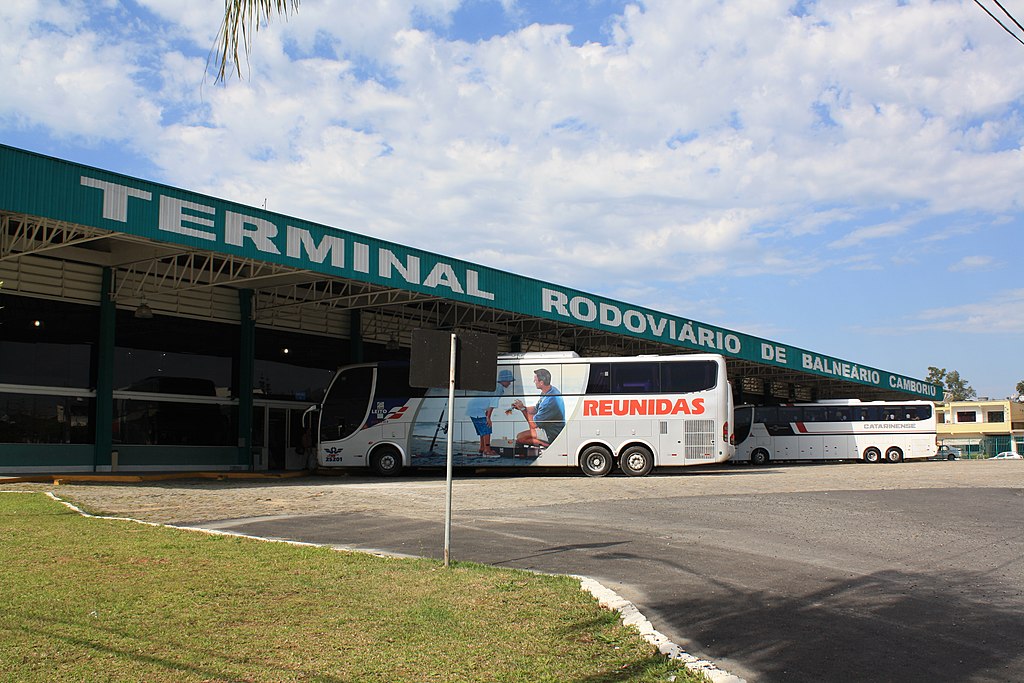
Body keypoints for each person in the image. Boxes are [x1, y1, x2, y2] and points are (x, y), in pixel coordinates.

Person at [511, 368, 565, 449]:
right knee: (520, 435)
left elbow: (533, 425)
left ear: (541, 382)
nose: (534, 382)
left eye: (535, 380)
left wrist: (522, 410)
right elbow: (536, 409)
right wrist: (522, 407)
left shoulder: (549, 401)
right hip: (548, 428)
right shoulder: (549, 391)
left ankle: (546, 445)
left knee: (520, 438)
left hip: (551, 433)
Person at [466, 369, 514, 456]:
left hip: (472, 408)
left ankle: (482, 447)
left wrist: (487, 415)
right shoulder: (499, 388)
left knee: (482, 430)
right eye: (509, 381)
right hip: (477, 409)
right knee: (487, 429)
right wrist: (488, 418)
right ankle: (487, 450)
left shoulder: (496, 386)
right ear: (504, 380)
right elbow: (492, 403)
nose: (510, 383)